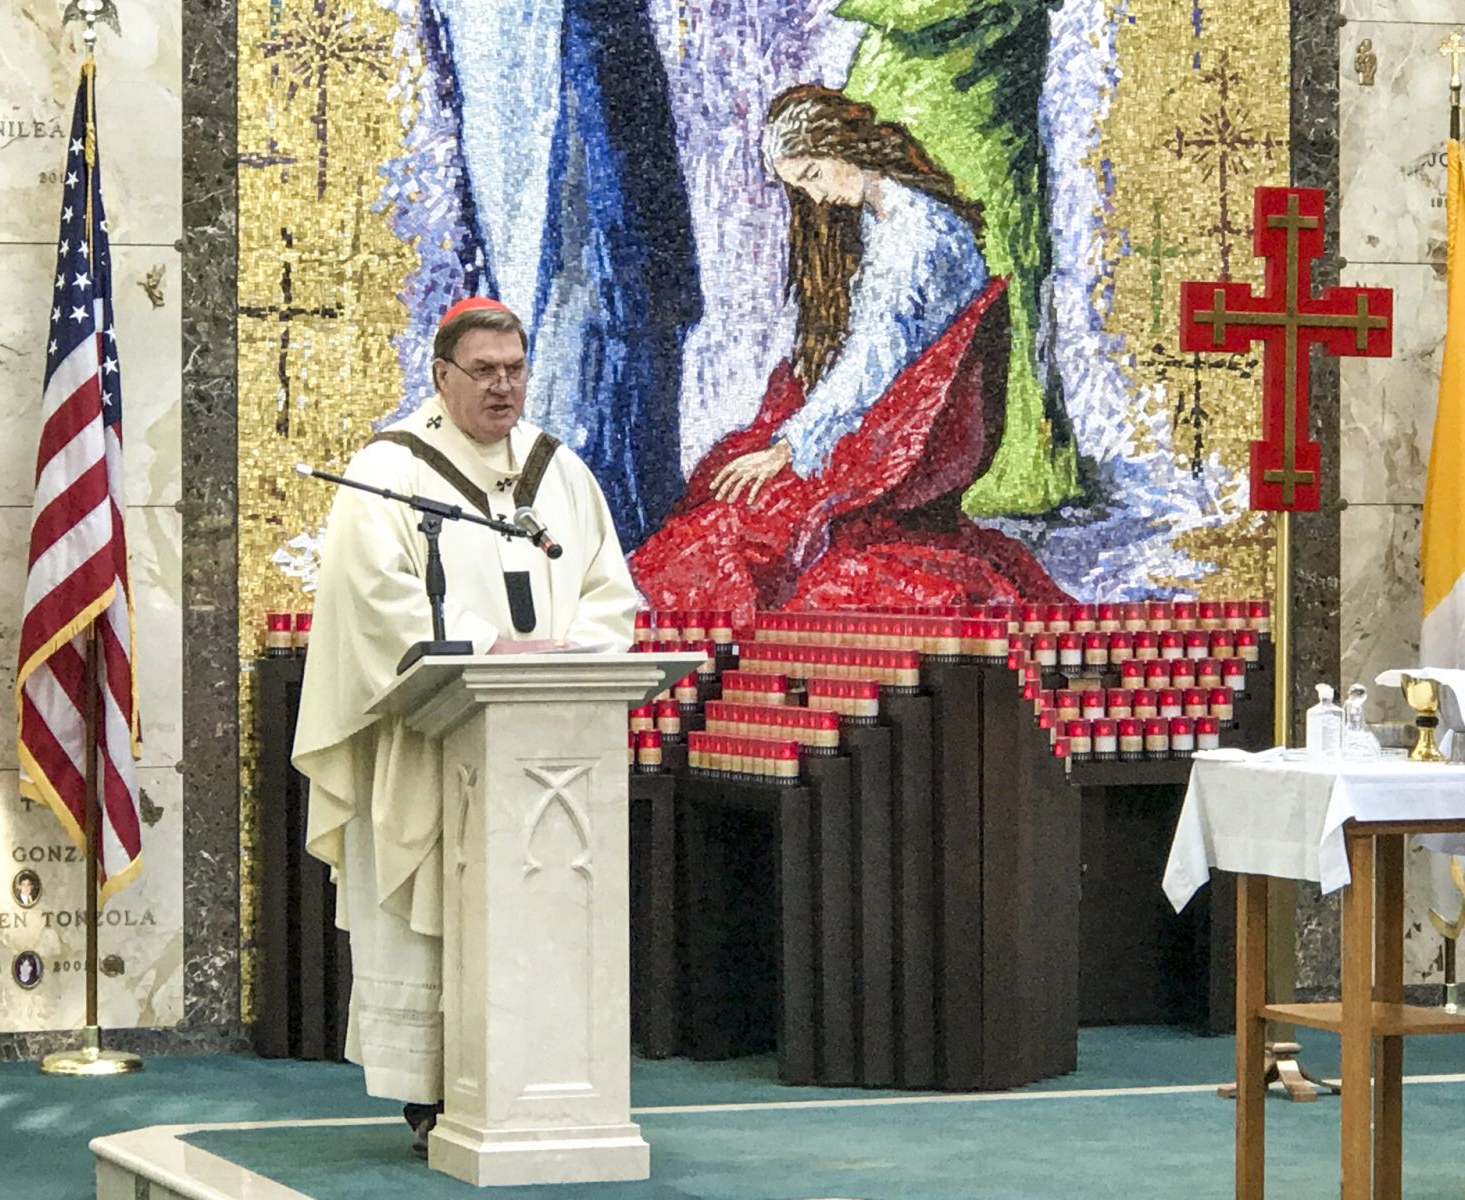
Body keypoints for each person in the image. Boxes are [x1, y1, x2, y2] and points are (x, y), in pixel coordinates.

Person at [291, 298, 637, 1157]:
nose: (503, 386)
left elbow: (610, 593)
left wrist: (566, 651)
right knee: (432, 920)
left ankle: (541, 1082)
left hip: (544, 750)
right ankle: (437, 1094)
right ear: (441, 376)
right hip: (431, 742)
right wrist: (491, 649)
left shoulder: (561, 473)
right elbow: (376, 608)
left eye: (515, 368)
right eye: (483, 370)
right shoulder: (390, 475)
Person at [629, 87, 1070, 626]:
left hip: (900, 435)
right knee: (729, 468)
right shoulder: (892, 214)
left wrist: (790, 448)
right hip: (896, 413)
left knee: (746, 505)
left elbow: (872, 365)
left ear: (842, 148)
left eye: (813, 175)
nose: (813, 198)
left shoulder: (910, 242)